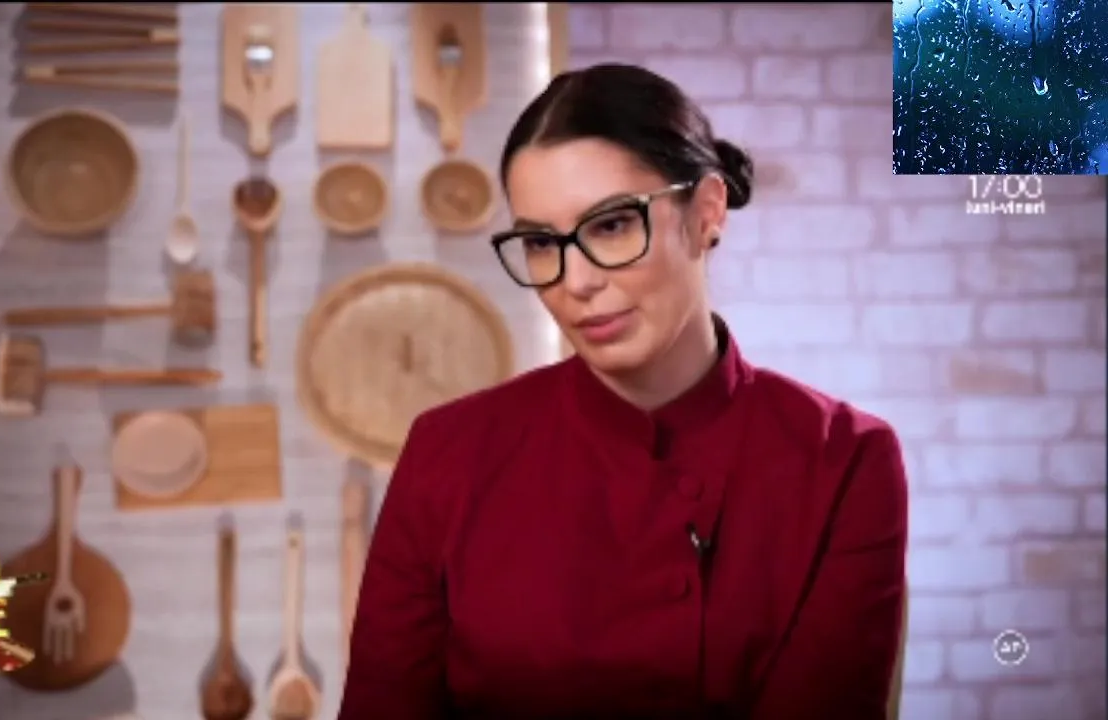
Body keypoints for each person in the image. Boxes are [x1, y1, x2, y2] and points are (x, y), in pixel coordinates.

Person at [339, 63, 908, 720]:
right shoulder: (448, 453)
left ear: (706, 213)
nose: (575, 281)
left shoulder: (844, 460)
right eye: (541, 242)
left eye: (611, 225)